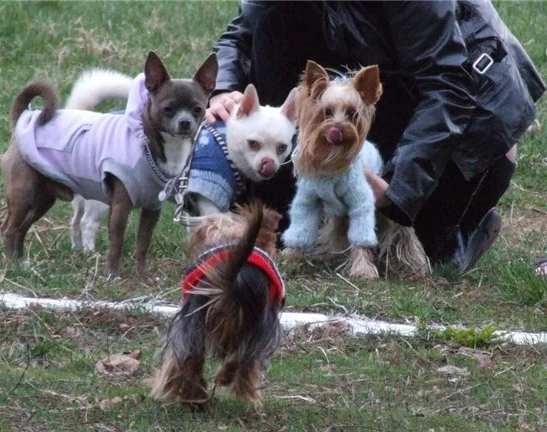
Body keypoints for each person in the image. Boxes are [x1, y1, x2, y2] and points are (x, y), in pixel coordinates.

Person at [205, 0, 545, 274]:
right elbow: (244, 34)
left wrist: (400, 189)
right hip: (374, 87)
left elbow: (449, 86)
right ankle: (287, 206)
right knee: (273, 26)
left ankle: (460, 229)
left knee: (405, 258)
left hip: (468, 122)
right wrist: (223, 89)